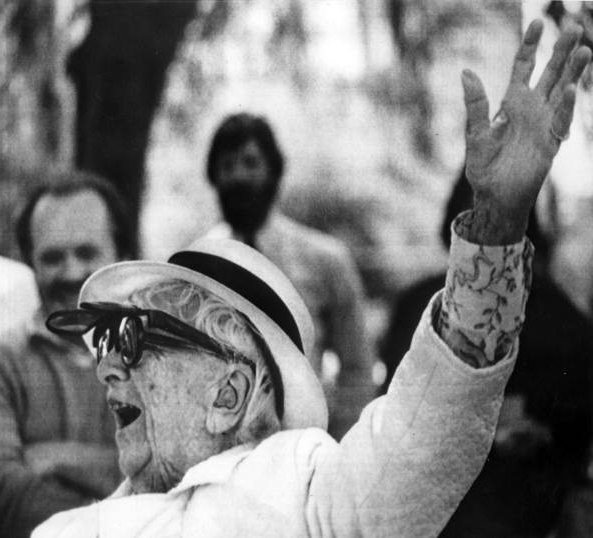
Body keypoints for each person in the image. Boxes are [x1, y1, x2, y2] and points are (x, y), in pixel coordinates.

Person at [33, 20, 590, 538]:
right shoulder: (67, 530)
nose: (105, 366)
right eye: (111, 338)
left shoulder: (303, 488)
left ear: (227, 396)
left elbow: (419, 431)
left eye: (134, 340)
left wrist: (496, 220)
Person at [380, 167, 593, 537]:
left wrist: (530, 430)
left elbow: (578, 413)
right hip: (429, 499)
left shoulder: (560, 317)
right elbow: (390, 407)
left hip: (523, 498)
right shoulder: (418, 304)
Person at [204, 113, 374, 439]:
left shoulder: (326, 260)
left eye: (251, 162)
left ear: (274, 171)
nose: (239, 176)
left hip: (302, 446)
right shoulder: (199, 264)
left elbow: (357, 371)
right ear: (214, 178)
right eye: (227, 166)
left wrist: (334, 445)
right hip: (222, 450)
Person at [0, 170, 136, 538]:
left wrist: (57, 457)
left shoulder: (155, 358)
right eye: (52, 258)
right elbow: (4, 496)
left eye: (87, 253)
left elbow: (182, 477)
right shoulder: (0, 363)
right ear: (30, 263)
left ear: (122, 255)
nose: (71, 272)